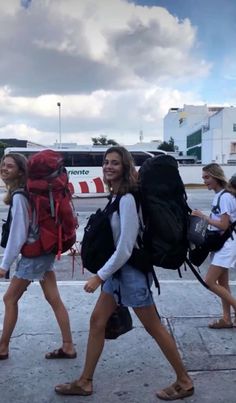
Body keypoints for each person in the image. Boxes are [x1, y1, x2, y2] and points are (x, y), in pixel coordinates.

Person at [55, 146, 194, 401]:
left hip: (129, 275)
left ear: (126, 168)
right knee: (97, 322)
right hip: (117, 276)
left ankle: (185, 381)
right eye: (106, 162)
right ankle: (85, 381)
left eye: (115, 163)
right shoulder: (116, 197)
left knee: (154, 327)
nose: (109, 166)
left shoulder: (128, 199)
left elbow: (126, 247)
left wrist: (100, 276)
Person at [0, 153, 76, 360]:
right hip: (45, 250)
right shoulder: (28, 192)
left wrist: (4, 265)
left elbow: (18, 234)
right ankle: (68, 346)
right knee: (53, 298)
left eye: (10, 166)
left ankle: (2, 347)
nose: (4, 169)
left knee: (9, 299)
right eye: (3, 165)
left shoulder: (20, 196)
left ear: (21, 172)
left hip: (35, 254)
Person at [192, 163, 236, 329]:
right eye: (204, 177)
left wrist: (202, 217)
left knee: (209, 281)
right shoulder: (221, 195)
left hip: (227, 244)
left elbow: (224, 225)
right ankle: (226, 319)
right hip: (222, 243)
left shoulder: (224, 197)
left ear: (216, 177)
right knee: (222, 284)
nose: (205, 181)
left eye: (207, 177)